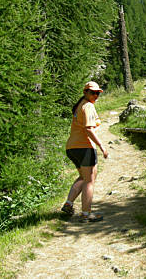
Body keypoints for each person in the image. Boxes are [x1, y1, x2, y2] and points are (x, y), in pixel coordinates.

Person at [61, 81, 108, 222]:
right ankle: (86, 214)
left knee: (83, 177)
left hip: (72, 148)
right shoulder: (88, 106)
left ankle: (69, 204)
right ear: (85, 92)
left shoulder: (80, 105)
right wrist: (101, 146)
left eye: (98, 93)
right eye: (92, 92)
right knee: (89, 181)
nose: (95, 95)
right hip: (85, 147)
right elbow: (89, 129)